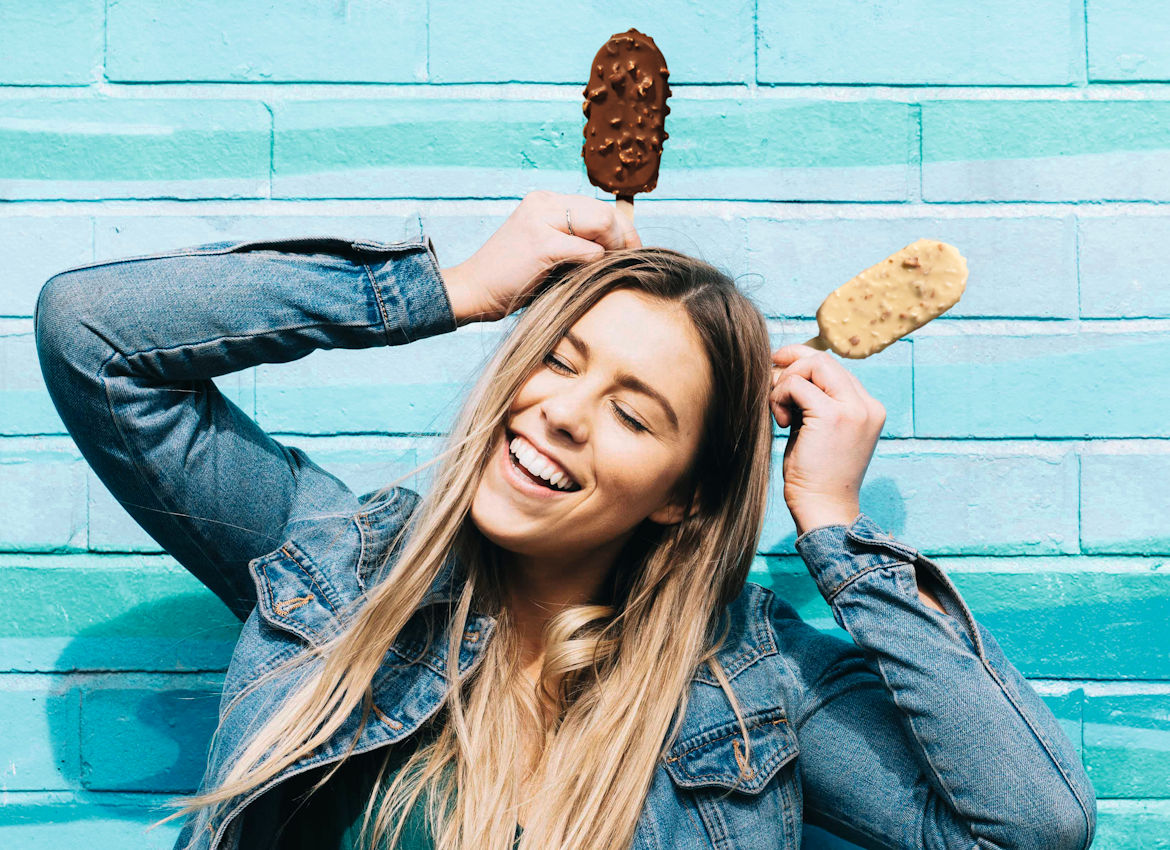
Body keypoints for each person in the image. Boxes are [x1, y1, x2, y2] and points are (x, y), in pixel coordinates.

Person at [34, 190, 1096, 850]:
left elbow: (1032, 825)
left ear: (682, 494)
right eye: (558, 358)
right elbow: (94, 336)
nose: (563, 413)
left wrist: (834, 524)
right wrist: (446, 288)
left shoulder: (750, 687)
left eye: (635, 412)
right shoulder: (343, 570)